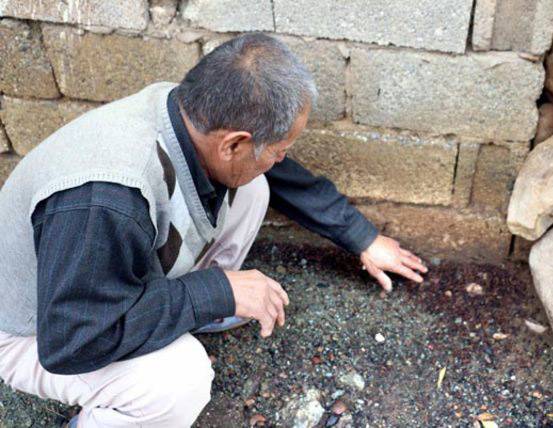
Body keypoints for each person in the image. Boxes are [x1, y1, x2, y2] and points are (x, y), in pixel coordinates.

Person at [0, 33, 427, 427]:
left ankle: (185, 317)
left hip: (91, 285)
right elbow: (73, 339)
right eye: (279, 151)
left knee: (255, 185)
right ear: (234, 143)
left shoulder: (191, 112)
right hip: (36, 328)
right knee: (180, 379)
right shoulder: (105, 198)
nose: (281, 159)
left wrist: (362, 238)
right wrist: (215, 291)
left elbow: (277, 172)